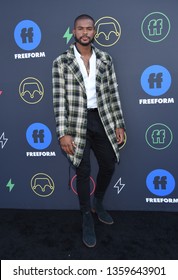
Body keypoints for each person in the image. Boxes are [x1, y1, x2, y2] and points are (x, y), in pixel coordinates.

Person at [52, 14, 126, 248]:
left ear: (94, 32)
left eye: (89, 29)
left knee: (108, 164)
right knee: (82, 172)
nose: (85, 32)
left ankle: (98, 202)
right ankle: (86, 215)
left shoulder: (105, 59)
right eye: (80, 29)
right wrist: (63, 132)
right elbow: (59, 100)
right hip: (75, 122)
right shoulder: (61, 62)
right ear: (73, 32)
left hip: (101, 119)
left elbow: (113, 93)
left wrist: (118, 123)